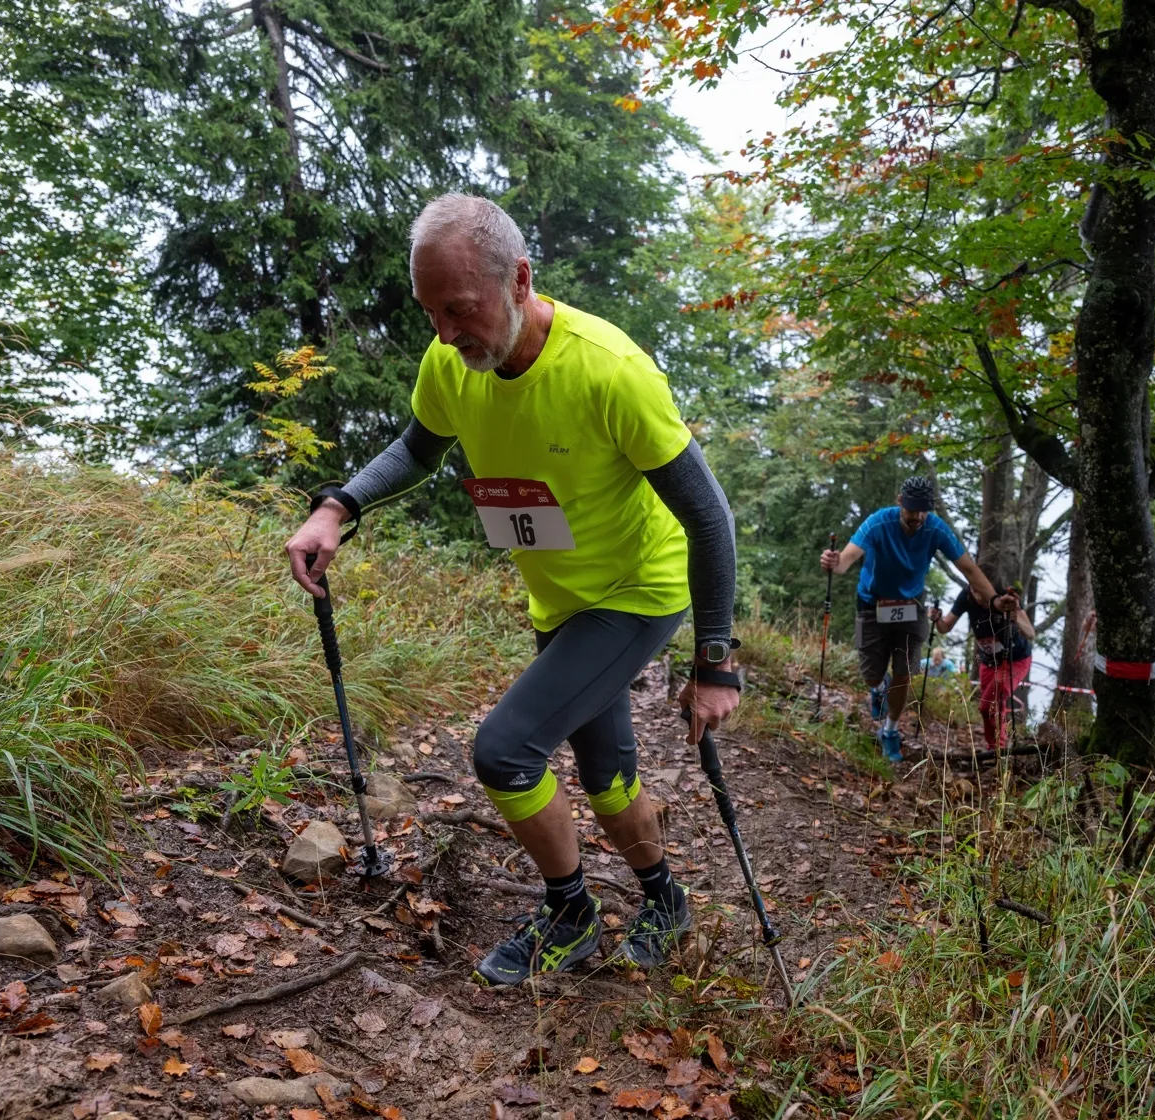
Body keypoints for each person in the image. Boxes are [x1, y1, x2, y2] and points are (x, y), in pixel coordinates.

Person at [284, 194, 741, 987]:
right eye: (431, 313)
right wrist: (337, 505)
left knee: (504, 752)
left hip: (637, 590)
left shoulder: (611, 370)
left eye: (459, 310)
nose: (446, 334)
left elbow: (708, 517)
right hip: (561, 598)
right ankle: (665, 900)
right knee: (606, 778)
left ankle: (571, 914)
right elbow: (417, 449)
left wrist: (714, 661)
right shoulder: (451, 363)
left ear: (520, 280)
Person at [820, 477, 1013, 761]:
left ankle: (890, 729)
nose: (918, 517)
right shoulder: (878, 523)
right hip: (872, 605)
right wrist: (834, 564)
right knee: (871, 673)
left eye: (924, 510)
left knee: (905, 672)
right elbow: (847, 559)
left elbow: (969, 569)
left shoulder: (935, 528)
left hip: (911, 607)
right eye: (913, 510)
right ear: (900, 502)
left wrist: (995, 601)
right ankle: (878, 688)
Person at [934, 560, 1034, 752]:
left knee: (987, 705)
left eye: (983, 592)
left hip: (1015, 659)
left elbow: (1030, 633)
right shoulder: (965, 597)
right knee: (990, 706)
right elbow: (945, 627)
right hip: (989, 660)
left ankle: (999, 748)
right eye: (974, 590)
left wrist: (1016, 618)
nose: (979, 596)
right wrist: (937, 619)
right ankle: (994, 747)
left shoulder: (1005, 599)